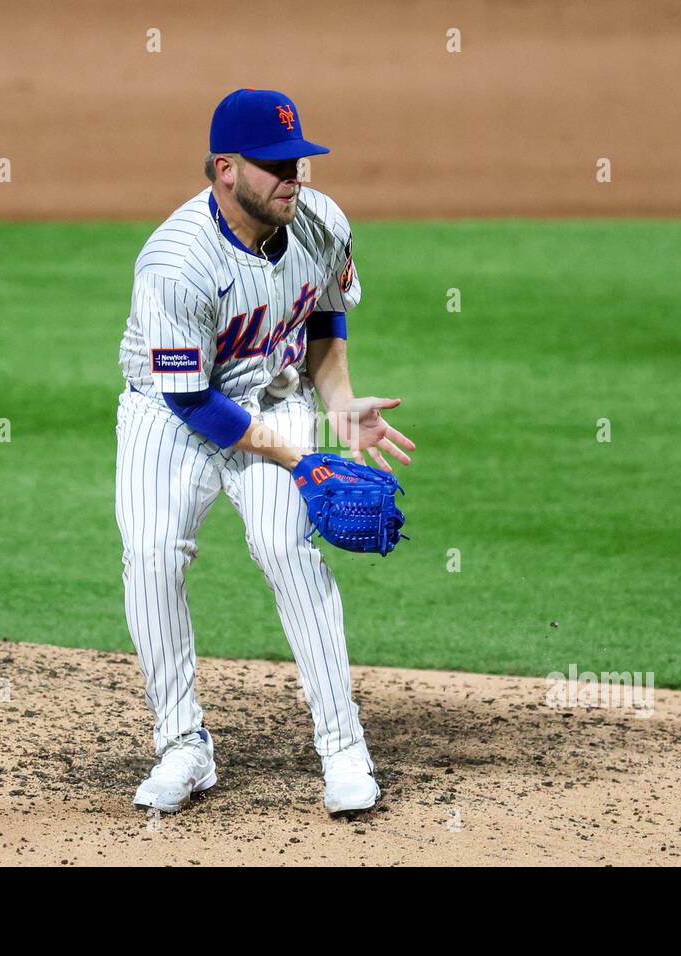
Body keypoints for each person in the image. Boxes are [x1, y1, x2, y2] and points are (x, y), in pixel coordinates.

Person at [114, 88, 415, 815]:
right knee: (153, 554)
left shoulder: (322, 224)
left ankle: (344, 749)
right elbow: (193, 401)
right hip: (169, 410)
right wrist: (299, 461)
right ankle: (183, 745)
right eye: (277, 166)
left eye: (300, 161)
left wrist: (339, 401)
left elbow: (326, 316)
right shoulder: (176, 261)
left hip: (278, 397)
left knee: (288, 549)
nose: (294, 178)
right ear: (226, 169)